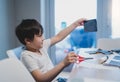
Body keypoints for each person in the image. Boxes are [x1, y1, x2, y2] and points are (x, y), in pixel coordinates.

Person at [15, 18, 85, 82]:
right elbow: (41, 79)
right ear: (28, 40)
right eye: (39, 36)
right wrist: (63, 63)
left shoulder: (41, 46)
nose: (43, 38)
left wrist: (76, 24)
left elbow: (58, 37)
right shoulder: (27, 56)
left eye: (42, 35)